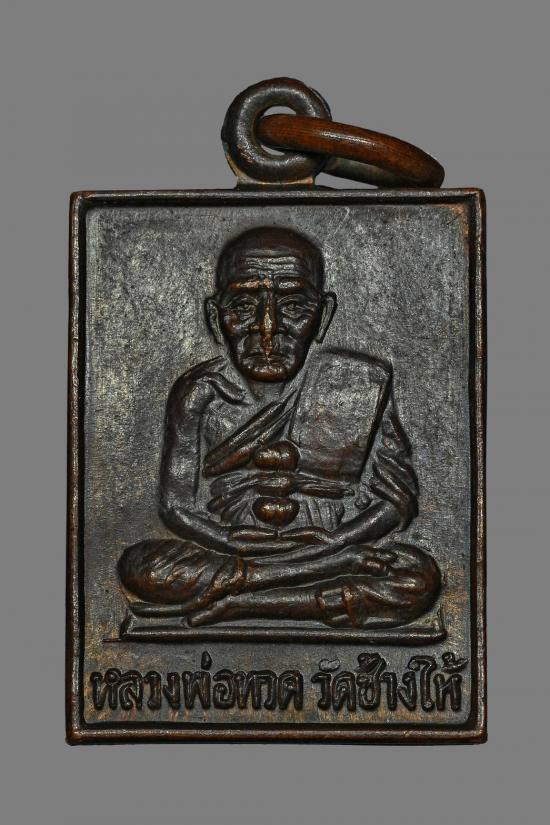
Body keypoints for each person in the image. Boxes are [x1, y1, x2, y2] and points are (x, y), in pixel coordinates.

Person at [118, 226, 441, 628]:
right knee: (142, 566)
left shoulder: (359, 382)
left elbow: (395, 500)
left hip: (331, 544)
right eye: (243, 307)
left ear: (323, 316)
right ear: (215, 318)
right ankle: (297, 587)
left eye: (293, 306)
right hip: (250, 553)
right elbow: (176, 508)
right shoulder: (199, 392)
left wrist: (338, 540)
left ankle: (245, 603)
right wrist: (231, 541)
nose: (267, 329)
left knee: (419, 577)